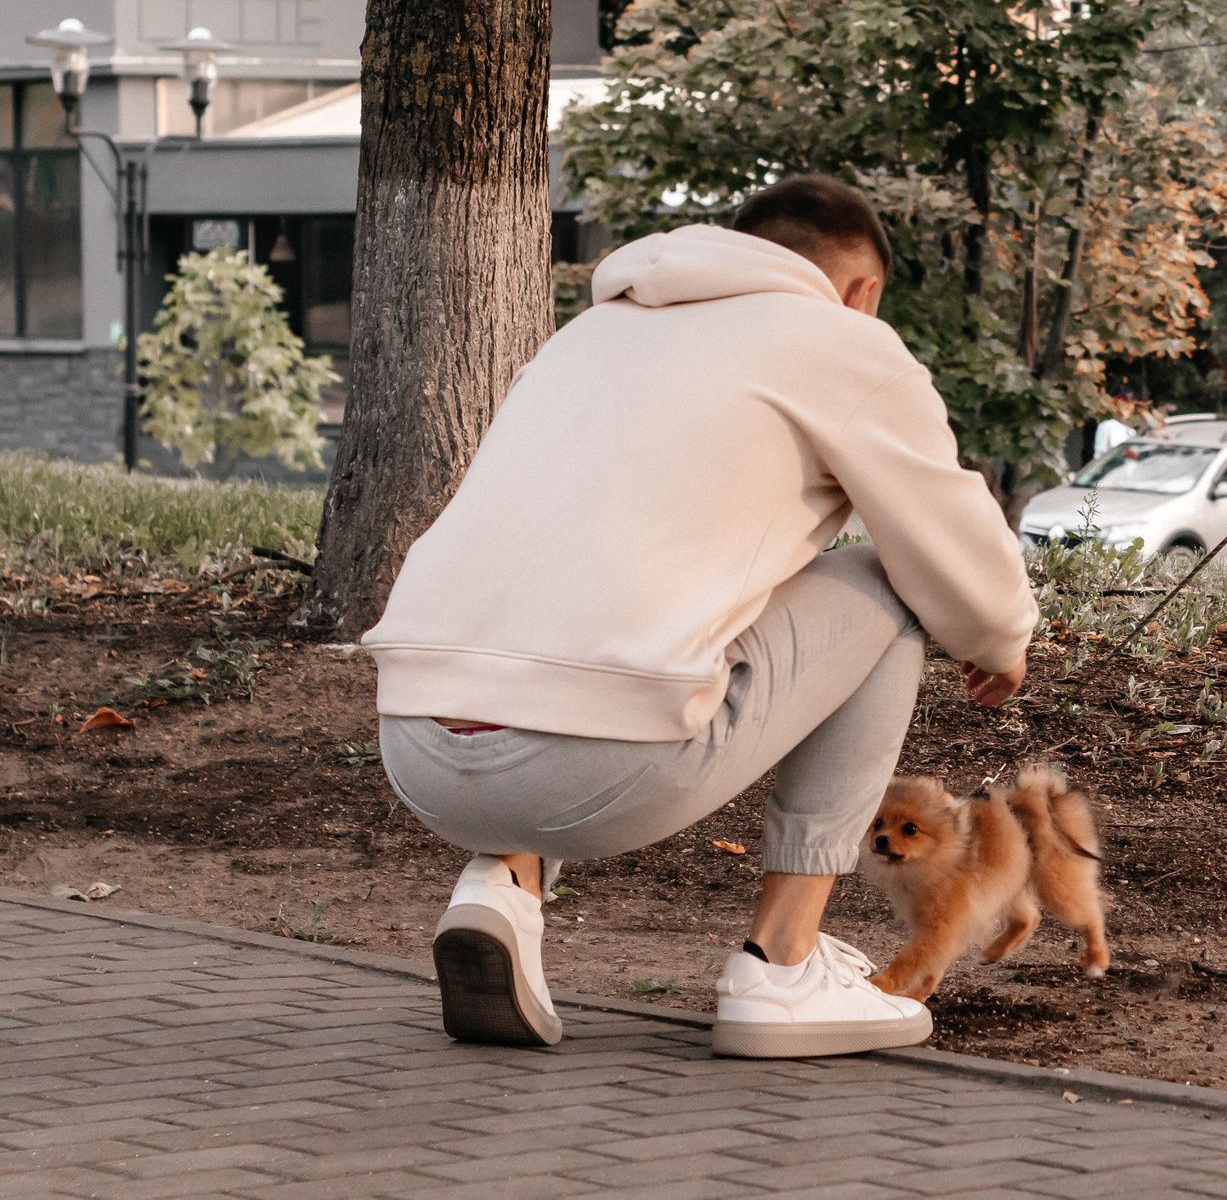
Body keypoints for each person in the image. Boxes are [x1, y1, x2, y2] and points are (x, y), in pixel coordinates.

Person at [362, 175, 1037, 1057]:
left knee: (580, 602)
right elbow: (962, 563)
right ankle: (783, 967)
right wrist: (1000, 642)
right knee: (887, 582)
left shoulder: (586, 336)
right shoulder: (840, 339)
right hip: (592, 768)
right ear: (862, 291)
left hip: (418, 743)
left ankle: (502, 884)